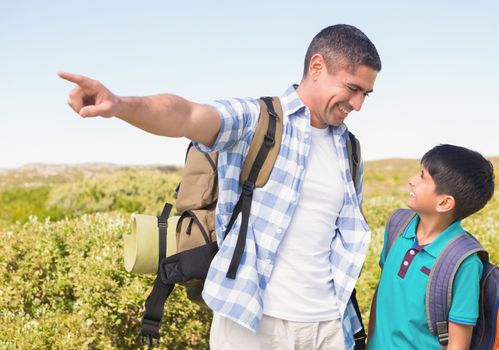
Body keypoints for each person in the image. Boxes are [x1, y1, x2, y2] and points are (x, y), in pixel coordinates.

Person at [59, 24, 381, 349]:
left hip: (326, 325)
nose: (358, 104)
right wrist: (119, 104)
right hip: (251, 324)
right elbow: (187, 114)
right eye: (352, 88)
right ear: (316, 67)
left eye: (365, 94)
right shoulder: (258, 119)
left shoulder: (349, 149)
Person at [367, 144, 495, 350]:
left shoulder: (463, 261)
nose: (412, 180)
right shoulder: (397, 225)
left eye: (422, 176)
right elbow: (382, 291)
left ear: (444, 203)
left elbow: (457, 344)